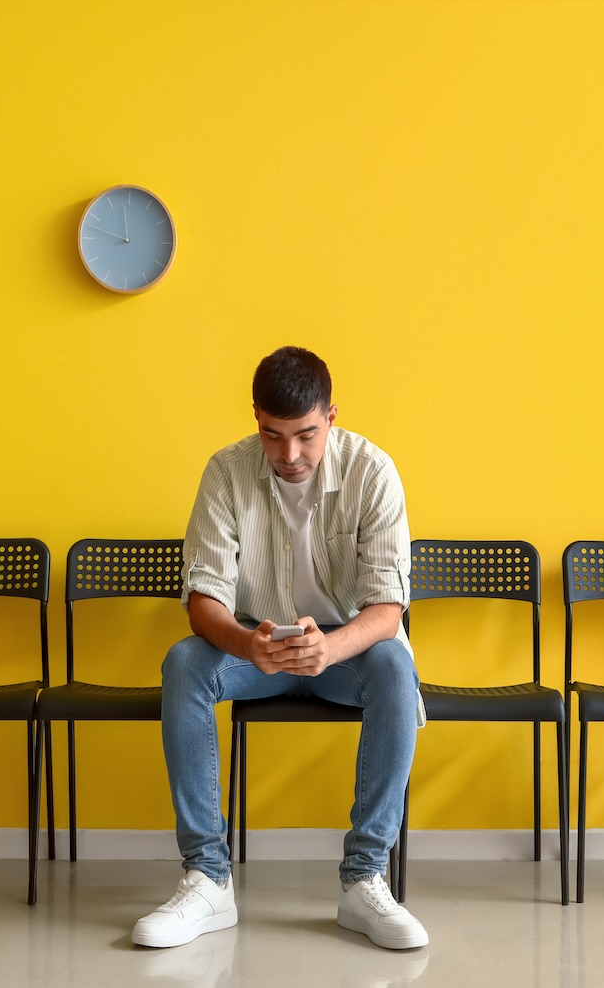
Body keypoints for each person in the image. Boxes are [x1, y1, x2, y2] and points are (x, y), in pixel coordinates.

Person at [132, 346, 428, 951]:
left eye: (305, 435)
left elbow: (387, 608)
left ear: (332, 417)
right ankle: (208, 878)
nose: (288, 455)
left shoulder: (374, 472)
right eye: (272, 435)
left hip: (347, 654)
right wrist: (248, 643)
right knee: (184, 662)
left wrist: (334, 646)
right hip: (257, 650)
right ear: (256, 420)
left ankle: (364, 879)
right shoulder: (225, 472)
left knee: (396, 664)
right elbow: (203, 601)